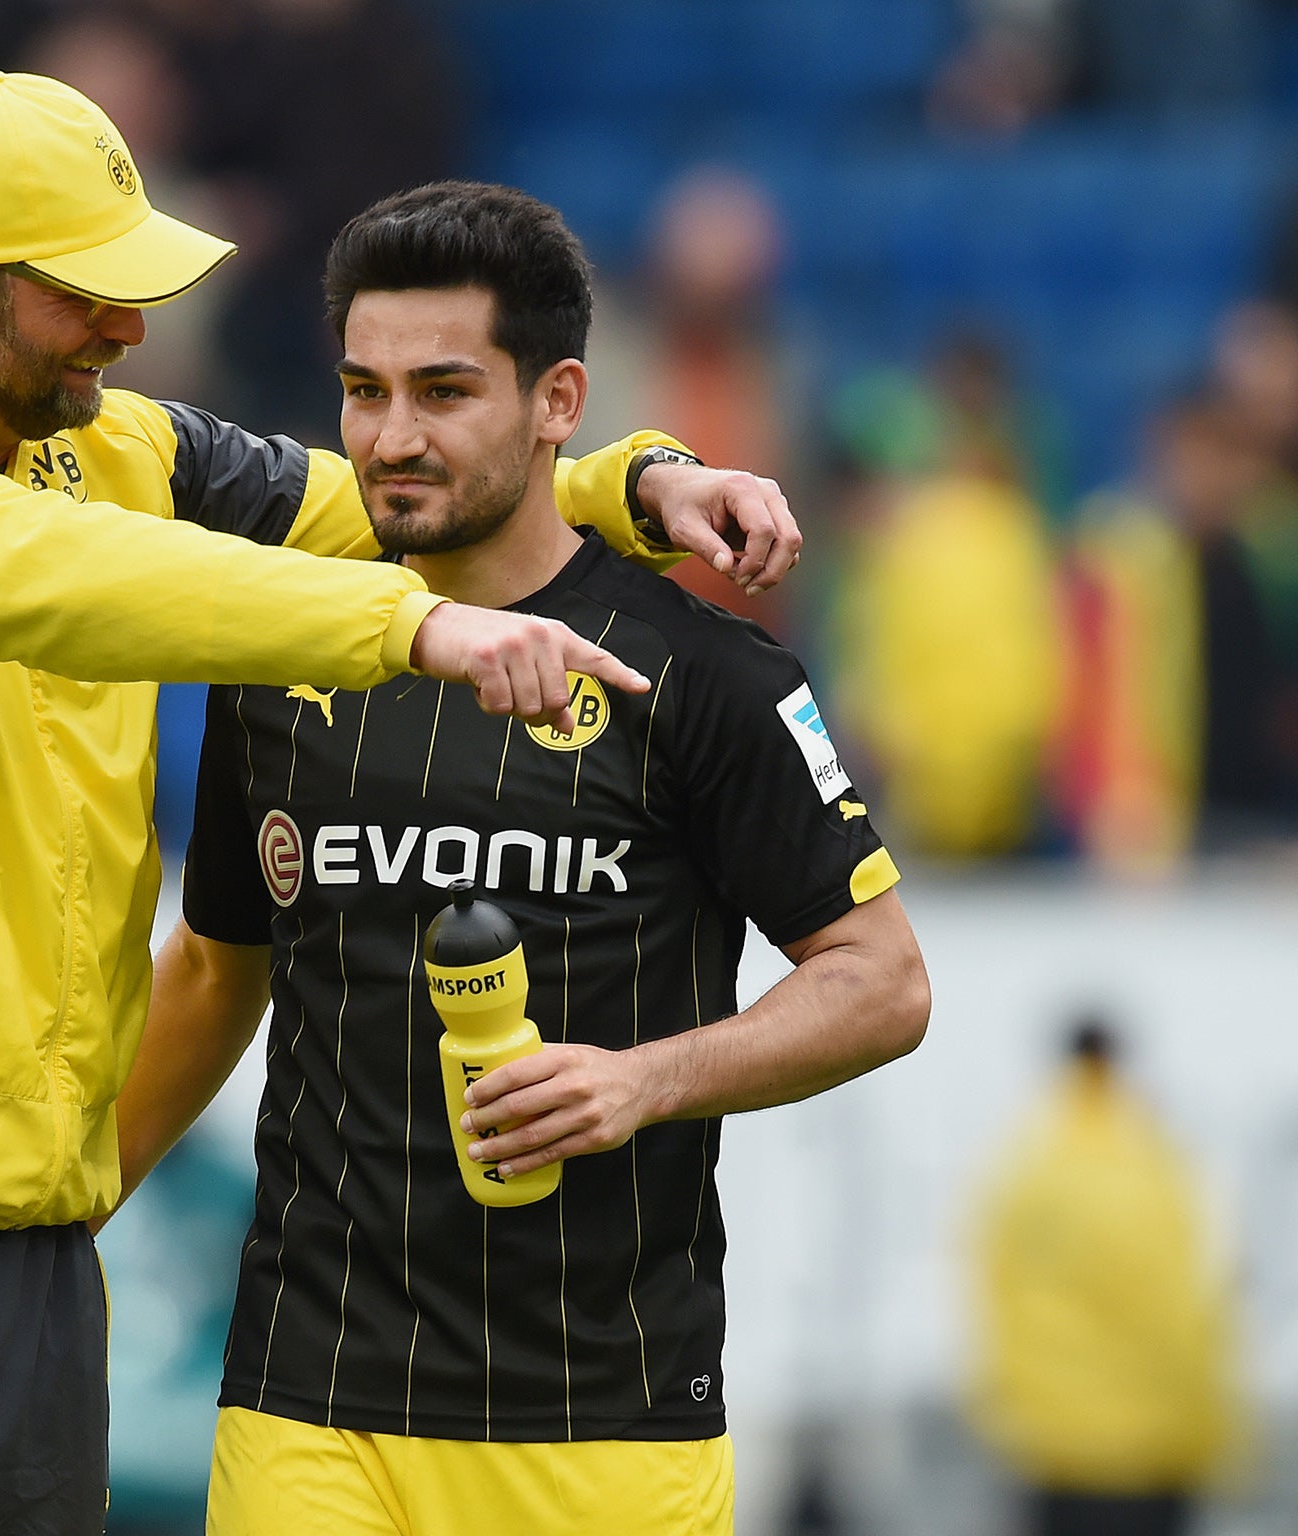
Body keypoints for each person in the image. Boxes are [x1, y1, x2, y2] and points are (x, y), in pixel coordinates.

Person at [0, 72, 806, 1536]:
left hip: (25, 1215)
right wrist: (410, 632)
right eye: (83, 294)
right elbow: (59, 578)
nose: (130, 326)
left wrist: (628, 482)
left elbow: (380, 493)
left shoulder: (110, 449)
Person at [112, 181, 930, 1535]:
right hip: (307, 1405)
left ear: (560, 401)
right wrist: (60, 1216)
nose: (391, 437)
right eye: (363, 392)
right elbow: (213, 971)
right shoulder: (280, 653)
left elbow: (883, 981)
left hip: (606, 1414)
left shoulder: (710, 679)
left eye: (443, 391)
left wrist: (642, 1082)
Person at [968, 1019, 1243, 1536]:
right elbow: (1190, 1312)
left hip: (1054, 1451)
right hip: (1153, 1451)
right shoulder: (1157, 1170)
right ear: (1121, 1064)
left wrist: (1011, 1416)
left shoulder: (1028, 1172)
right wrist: (1212, 1438)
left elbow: (995, 1300)